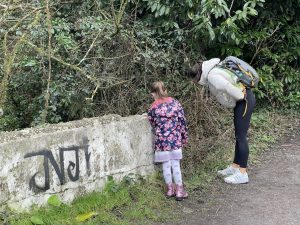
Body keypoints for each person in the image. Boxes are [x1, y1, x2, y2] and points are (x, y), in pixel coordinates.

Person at [188, 58, 256, 184]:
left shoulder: (213, 76)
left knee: (241, 137)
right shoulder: (214, 70)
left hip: (244, 101)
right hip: (243, 100)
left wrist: (238, 97)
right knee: (238, 136)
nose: (197, 84)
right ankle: (235, 167)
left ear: (198, 76)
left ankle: (242, 173)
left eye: (195, 81)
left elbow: (229, 89)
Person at [147, 81, 188, 201]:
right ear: (165, 90)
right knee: (176, 165)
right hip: (175, 139)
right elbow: (182, 122)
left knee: (166, 165)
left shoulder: (153, 108)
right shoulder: (175, 104)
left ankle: (170, 190)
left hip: (161, 141)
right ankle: (180, 191)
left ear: (153, 93)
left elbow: (152, 122)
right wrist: (184, 137)